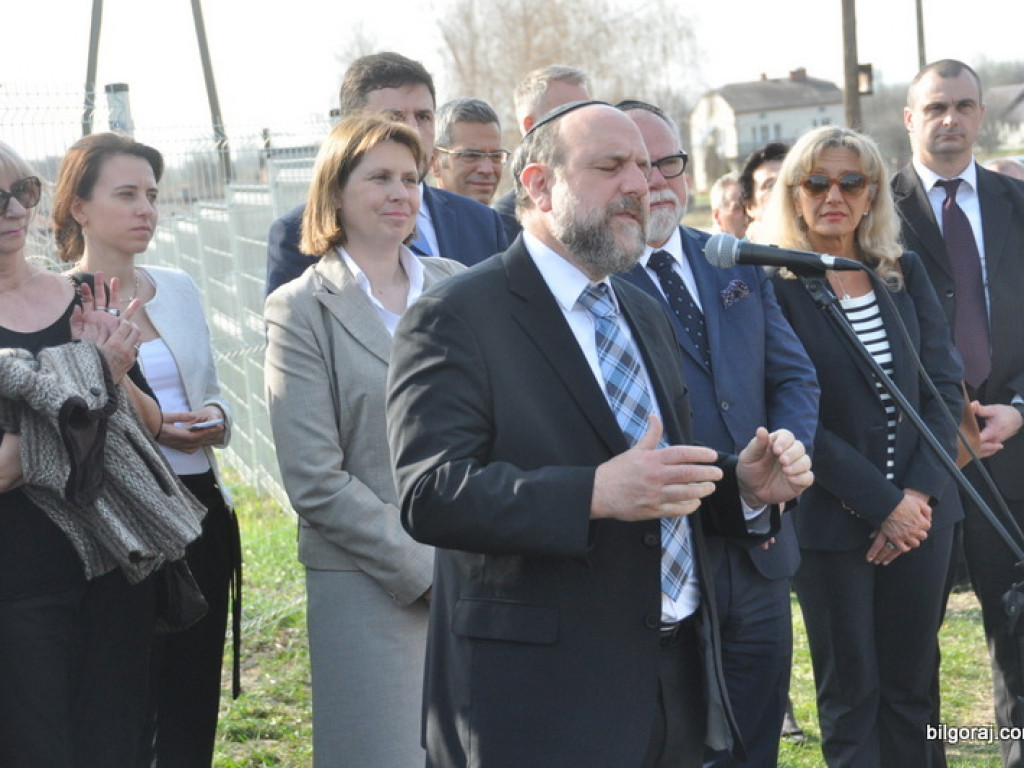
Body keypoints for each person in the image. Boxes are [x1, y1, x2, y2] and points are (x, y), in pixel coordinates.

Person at [386, 100, 813, 768]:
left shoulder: (641, 309)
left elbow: (661, 472)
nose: (639, 186)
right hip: (539, 700)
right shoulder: (457, 315)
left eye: (645, 167)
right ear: (537, 185)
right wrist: (591, 493)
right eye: (611, 166)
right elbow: (431, 493)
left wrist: (745, 486)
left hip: (670, 682)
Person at [615, 100, 819, 768]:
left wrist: (785, 455)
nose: (658, 182)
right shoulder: (596, 282)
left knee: (755, 741)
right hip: (665, 555)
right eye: (637, 166)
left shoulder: (730, 259)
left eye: (668, 162)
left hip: (760, 550)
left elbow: (794, 378)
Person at [761, 125, 964, 767]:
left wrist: (915, 496)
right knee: (852, 698)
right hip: (831, 527)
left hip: (923, 520)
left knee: (914, 692)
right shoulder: (775, 287)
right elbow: (794, 414)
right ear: (794, 195)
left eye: (852, 182)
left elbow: (945, 387)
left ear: (872, 194)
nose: (834, 196)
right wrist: (881, 503)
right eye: (817, 183)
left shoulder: (898, 275)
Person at [265, 114, 464, 767]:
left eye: (411, 178)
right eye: (379, 176)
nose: (400, 191)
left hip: (483, 576)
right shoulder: (301, 308)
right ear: (336, 191)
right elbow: (314, 478)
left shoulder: (461, 286)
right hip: (369, 586)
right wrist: (426, 569)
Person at [53, 132, 240, 768]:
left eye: (152, 196)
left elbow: (210, 389)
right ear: (79, 206)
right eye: (126, 194)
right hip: (121, 519)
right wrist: (153, 422)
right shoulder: (56, 303)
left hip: (201, 507)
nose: (146, 210)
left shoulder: (178, 287)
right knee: (124, 701)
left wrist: (215, 418)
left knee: (193, 697)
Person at [0, 140, 166, 767]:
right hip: (16, 585)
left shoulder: (79, 297)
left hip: (111, 565)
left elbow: (149, 426)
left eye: (26, 192)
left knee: (115, 744)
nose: (15, 210)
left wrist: (111, 373)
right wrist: (86, 381)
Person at [892, 59, 1024, 768]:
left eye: (964, 106)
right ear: (909, 118)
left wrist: (1019, 408)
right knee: (912, 650)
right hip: (920, 461)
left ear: (981, 116)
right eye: (935, 107)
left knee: (1020, 640)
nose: (951, 119)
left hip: (1012, 456)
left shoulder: (1016, 202)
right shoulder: (872, 206)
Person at [266, 51, 505, 295]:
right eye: (394, 117)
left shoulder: (482, 222)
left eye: (423, 117)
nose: (412, 129)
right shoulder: (296, 234)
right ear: (352, 128)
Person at [492, 64, 593, 240]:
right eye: (569, 114)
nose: (584, 126)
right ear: (531, 126)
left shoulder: (604, 196)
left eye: (588, 113)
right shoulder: (504, 221)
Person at [429, 97, 508, 205]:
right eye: (471, 156)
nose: (487, 169)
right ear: (434, 162)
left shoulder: (508, 221)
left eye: (496, 156)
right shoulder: (411, 221)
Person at [739, 141, 788, 242]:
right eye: (770, 185)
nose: (781, 190)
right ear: (750, 207)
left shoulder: (818, 247)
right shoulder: (740, 254)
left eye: (786, 181)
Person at [709, 171, 749, 238]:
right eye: (738, 208)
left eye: (750, 206)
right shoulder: (701, 247)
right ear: (717, 216)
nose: (748, 214)